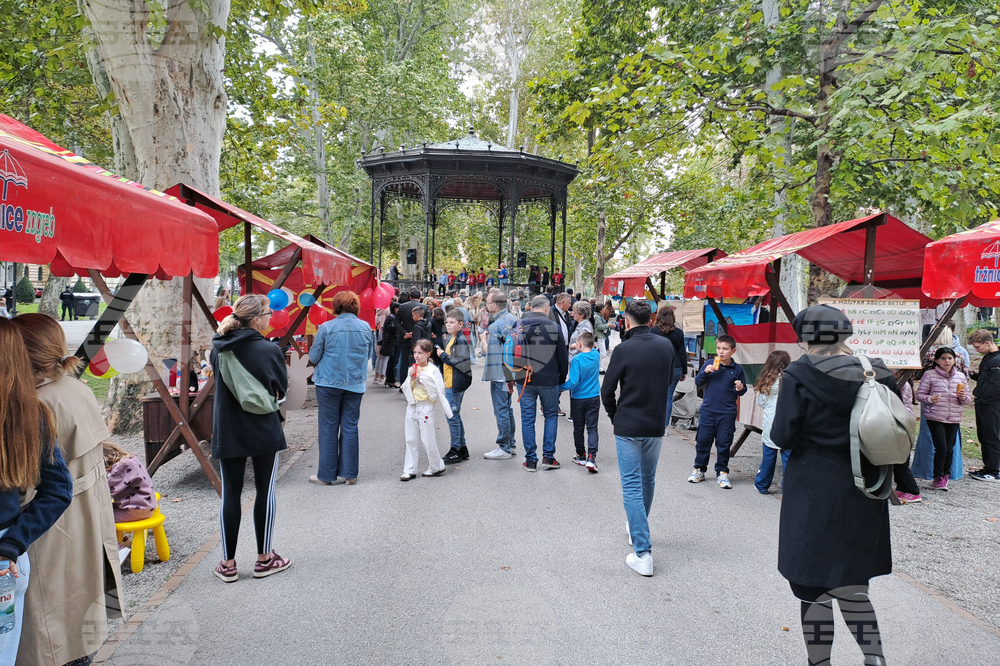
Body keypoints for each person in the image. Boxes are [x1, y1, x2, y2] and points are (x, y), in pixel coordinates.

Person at [770, 304, 893, 666]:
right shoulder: (876, 370)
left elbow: (783, 436)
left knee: (813, 587)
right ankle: (875, 658)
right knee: (852, 581)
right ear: (845, 333)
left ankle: (819, 662)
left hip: (814, 489)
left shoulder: (799, 374)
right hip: (864, 489)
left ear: (805, 338)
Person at [9, 314, 124, 665]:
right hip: (86, 518)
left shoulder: (38, 404)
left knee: (49, 632)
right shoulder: (76, 388)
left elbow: (25, 485)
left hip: (49, 530)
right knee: (77, 622)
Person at [0, 318, 72, 664]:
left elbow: (58, 490)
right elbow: (59, 490)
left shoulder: (33, 414)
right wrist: (15, 540)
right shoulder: (33, 413)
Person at [210, 295, 291, 583]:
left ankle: (228, 563)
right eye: (269, 314)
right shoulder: (270, 351)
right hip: (263, 428)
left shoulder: (218, 348)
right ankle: (264, 558)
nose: (272, 318)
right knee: (264, 491)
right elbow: (280, 389)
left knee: (230, 494)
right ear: (256, 320)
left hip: (228, 428)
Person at [600, 300, 675, 576]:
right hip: (654, 422)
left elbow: (606, 390)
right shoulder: (665, 345)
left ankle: (643, 551)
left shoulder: (623, 349)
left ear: (626, 322)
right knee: (647, 479)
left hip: (629, 424)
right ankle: (636, 529)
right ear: (651, 319)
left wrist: (613, 416)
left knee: (632, 484)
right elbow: (669, 380)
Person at [309, 291, 374, 487]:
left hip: (328, 382)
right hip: (355, 383)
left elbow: (313, 357)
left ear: (335, 306)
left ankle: (326, 475)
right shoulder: (365, 328)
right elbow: (369, 355)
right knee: (350, 426)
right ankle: (350, 474)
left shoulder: (327, 328)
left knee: (328, 427)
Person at [518, 296, 569, 471]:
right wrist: (561, 380)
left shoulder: (518, 325)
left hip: (524, 378)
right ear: (547, 307)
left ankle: (531, 460)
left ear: (531, 307)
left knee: (527, 419)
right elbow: (562, 356)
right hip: (549, 379)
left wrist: (511, 378)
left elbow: (510, 352)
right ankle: (548, 457)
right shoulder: (554, 327)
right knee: (551, 416)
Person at [689, 335, 746, 489]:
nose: (721, 352)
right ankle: (699, 469)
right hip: (708, 410)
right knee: (703, 441)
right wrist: (705, 372)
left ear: (733, 351)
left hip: (727, 412)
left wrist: (739, 388)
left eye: (725, 349)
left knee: (724, 443)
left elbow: (741, 390)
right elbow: (698, 382)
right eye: (719, 348)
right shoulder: (709, 364)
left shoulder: (737, 369)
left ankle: (722, 471)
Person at [916, 347, 971, 491]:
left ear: (954, 360)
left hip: (953, 417)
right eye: (943, 358)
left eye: (950, 358)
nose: (947, 361)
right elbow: (920, 395)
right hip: (935, 416)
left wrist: (962, 396)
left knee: (950, 448)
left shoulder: (960, 377)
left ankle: (946, 475)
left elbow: (967, 400)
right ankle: (938, 476)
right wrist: (930, 399)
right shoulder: (929, 375)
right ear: (937, 360)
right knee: (941, 447)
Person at [400, 339, 451, 481]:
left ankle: (436, 466)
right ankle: (410, 469)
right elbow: (405, 387)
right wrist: (411, 380)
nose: (417, 356)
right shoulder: (412, 369)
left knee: (427, 439)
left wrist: (422, 382)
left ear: (428, 354)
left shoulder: (433, 370)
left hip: (425, 406)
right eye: (415, 352)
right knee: (410, 438)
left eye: (420, 353)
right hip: (412, 405)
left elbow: (438, 391)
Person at [482, 292, 519, 460]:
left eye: (488, 302)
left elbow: (491, 352)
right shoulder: (513, 319)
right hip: (511, 370)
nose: (486, 305)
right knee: (507, 408)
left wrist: (483, 339)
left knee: (501, 409)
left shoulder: (496, 326)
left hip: (499, 372)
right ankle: (510, 443)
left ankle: (504, 446)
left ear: (495, 305)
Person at [561, 331, 602, 472]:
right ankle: (592, 457)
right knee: (592, 428)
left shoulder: (577, 360)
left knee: (579, 428)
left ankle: (581, 454)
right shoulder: (596, 355)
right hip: (594, 397)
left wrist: (560, 388)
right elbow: (593, 346)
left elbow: (572, 382)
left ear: (579, 343)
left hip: (578, 398)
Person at [753, 351, 791, 494]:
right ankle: (788, 489)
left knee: (769, 455)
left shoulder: (767, 380)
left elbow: (761, 402)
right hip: (788, 422)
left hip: (771, 422)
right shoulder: (791, 380)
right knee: (788, 457)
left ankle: (762, 485)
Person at [438, 311, 473, 464]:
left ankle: (455, 450)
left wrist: (442, 355)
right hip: (451, 382)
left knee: (452, 416)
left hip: (455, 383)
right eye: (447, 322)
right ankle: (461, 447)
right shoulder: (454, 338)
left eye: (452, 322)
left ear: (460, 324)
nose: (448, 325)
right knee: (455, 416)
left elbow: (462, 363)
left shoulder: (460, 340)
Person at [968, 330, 1000, 482]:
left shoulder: (997, 361)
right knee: (983, 436)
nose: (976, 350)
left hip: (992, 404)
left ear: (987, 343)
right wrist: (972, 374)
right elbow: (984, 379)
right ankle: (988, 466)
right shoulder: (987, 359)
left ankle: (994, 470)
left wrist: (986, 398)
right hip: (982, 401)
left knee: (992, 436)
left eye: (977, 347)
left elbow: (996, 385)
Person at [103, 440, 155, 523]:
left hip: (136, 510)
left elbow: (107, 490)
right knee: (106, 509)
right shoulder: (130, 459)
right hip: (146, 505)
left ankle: (113, 536)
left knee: (102, 519)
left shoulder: (119, 469)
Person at [651, 308, 686, 426]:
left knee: (655, 394)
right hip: (676, 367)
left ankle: (654, 421)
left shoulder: (653, 331)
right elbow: (682, 353)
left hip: (657, 367)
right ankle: (665, 426)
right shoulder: (679, 332)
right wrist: (684, 371)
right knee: (668, 396)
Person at [892, 369, 923, 502]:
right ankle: (901, 486)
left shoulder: (902, 385)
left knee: (901, 459)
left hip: (902, 422)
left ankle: (913, 490)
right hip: (898, 421)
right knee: (895, 459)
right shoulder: (896, 382)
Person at [379, 302, 400, 388]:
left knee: (392, 361)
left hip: (393, 341)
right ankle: (391, 380)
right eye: (396, 308)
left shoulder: (392, 317)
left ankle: (389, 379)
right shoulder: (391, 317)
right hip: (392, 341)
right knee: (393, 361)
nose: (397, 309)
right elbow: (390, 328)